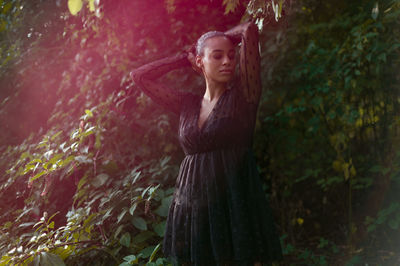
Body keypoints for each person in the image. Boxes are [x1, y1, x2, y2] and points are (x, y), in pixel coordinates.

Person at [130, 21, 283, 266]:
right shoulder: (187, 104)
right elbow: (139, 77)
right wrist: (185, 57)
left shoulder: (245, 95)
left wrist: (222, 39)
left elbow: (248, 31)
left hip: (234, 202)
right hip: (193, 205)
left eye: (232, 56)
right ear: (200, 62)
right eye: (217, 56)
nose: (227, 62)